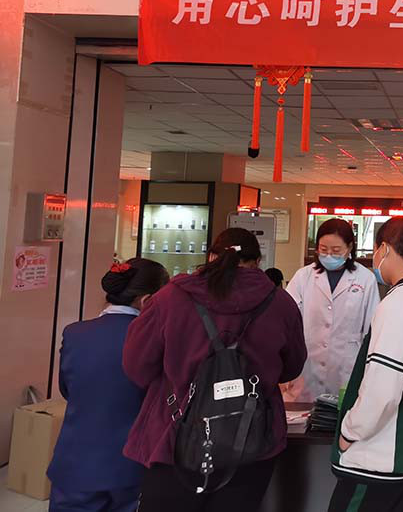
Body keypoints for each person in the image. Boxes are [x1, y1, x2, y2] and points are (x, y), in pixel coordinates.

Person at [122, 227, 307, 512]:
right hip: (252, 437)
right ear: (258, 261)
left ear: (211, 256)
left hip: (176, 435)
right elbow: (292, 365)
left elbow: (137, 366)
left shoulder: (170, 298)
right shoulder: (280, 303)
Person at [328, 217, 403, 512]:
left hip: (379, 456)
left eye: (375, 250)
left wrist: (349, 432)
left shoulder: (397, 305)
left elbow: (383, 388)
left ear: (385, 248)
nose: (374, 258)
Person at [47, 258, 169, 512]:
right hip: (132, 466)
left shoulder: (75, 333)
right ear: (147, 301)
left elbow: (67, 389)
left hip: (75, 462)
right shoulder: (158, 340)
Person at [284, 218, 380, 402]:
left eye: (336, 250)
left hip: (346, 369)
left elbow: (371, 329)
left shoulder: (365, 279)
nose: (329, 255)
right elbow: (287, 320)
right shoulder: (303, 276)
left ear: (349, 248)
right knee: (303, 416)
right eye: (323, 249)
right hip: (306, 369)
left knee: (342, 412)